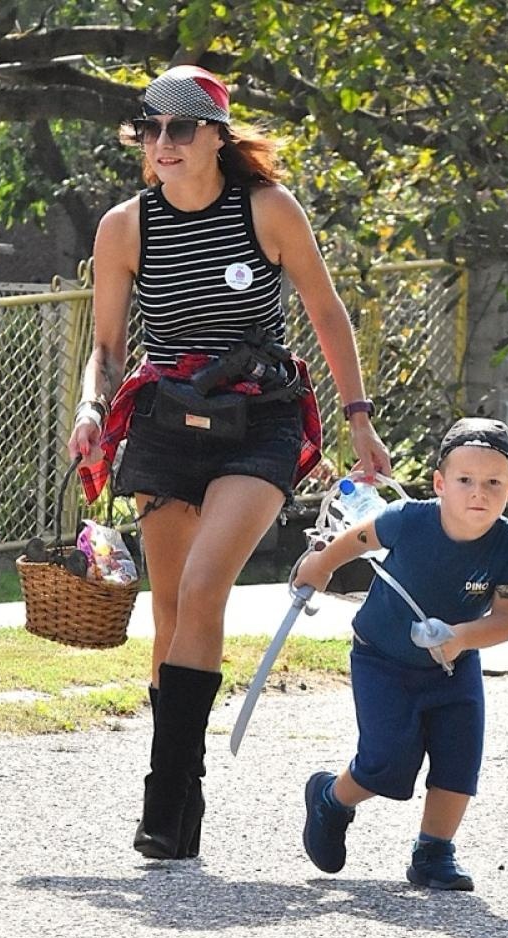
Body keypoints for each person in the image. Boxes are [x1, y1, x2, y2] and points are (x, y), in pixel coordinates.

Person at [68, 65, 392, 861]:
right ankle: (186, 795)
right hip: (165, 421)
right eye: (150, 129)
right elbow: (106, 349)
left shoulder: (267, 210)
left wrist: (359, 420)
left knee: (209, 585)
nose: (164, 144)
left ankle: (163, 795)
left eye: (181, 129)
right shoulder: (123, 227)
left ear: (216, 134)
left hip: (260, 422)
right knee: (174, 609)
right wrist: (88, 409)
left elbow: (324, 309)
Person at [293, 418, 508, 891]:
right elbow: (361, 536)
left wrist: (462, 637)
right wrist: (320, 564)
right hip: (382, 658)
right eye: (464, 481)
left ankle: (433, 851)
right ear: (440, 483)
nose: (477, 493)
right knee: (386, 762)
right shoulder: (411, 519)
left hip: (454, 664)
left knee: (460, 759)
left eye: (493, 483)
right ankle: (330, 798)